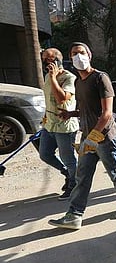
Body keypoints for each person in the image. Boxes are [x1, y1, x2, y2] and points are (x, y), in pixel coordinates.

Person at [48, 42, 116, 230]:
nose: (78, 56)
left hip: (104, 137)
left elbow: (106, 113)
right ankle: (74, 214)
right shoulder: (79, 82)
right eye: (74, 53)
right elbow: (85, 109)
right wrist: (70, 114)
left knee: (114, 171)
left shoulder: (100, 78)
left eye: (81, 52)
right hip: (88, 136)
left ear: (89, 55)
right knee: (83, 176)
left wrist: (91, 139)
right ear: (70, 58)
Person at [40, 48, 79, 200]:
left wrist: (54, 78)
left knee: (68, 158)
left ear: (57, 61)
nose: (46, 62)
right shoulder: (46, 76)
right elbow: (48, 99)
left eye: (49, 59)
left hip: (64, 125)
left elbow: (62, 98)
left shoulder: (69, 77)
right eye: (44, 59)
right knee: (45, 154)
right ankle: (67, 174)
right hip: (49, 123)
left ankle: (74, 184)